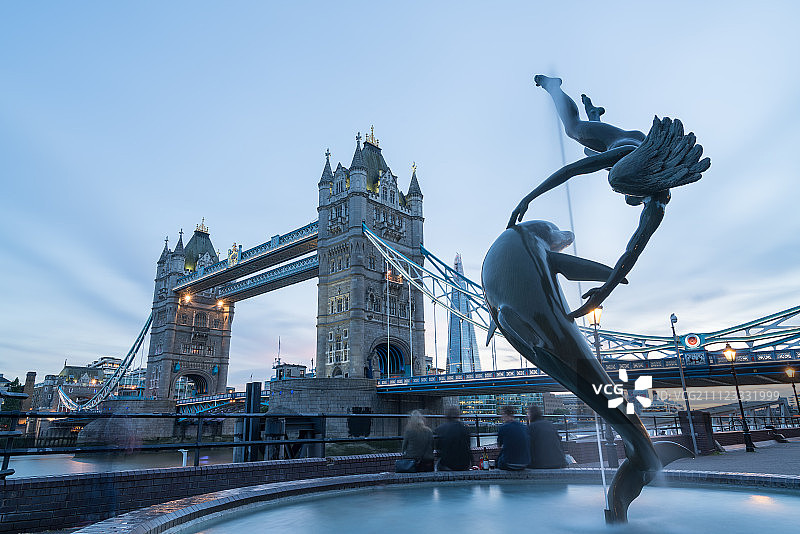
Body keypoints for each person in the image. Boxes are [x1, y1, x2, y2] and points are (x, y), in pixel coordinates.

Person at [508, 75, 710, 319]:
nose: (622, 195)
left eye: (623, 191)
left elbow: (632, 251)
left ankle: (595, 114)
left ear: (642, 189)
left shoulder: (657, 205)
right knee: (574, 130)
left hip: (632, 158)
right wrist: (528, 198)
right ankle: (554, 86)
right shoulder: (623, 152)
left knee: (588, 151)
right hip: (617, 140)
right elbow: (571, 170)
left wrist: (603, 292)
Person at [434, 406, 472, 471]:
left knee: (437, 465)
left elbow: (437, 447)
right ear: (458, 415)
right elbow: (468, 446)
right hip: (464, 464)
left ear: (446, 416)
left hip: (447, 464)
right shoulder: (465, 428)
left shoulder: (440, 429)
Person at [496, 405, 530, 470]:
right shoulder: (523, 427)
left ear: (505, 414)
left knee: (498, 460)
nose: (501, 417)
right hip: (525, 463)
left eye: (502, 415)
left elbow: (499, 446)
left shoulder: (503, 427)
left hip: (509, 463)